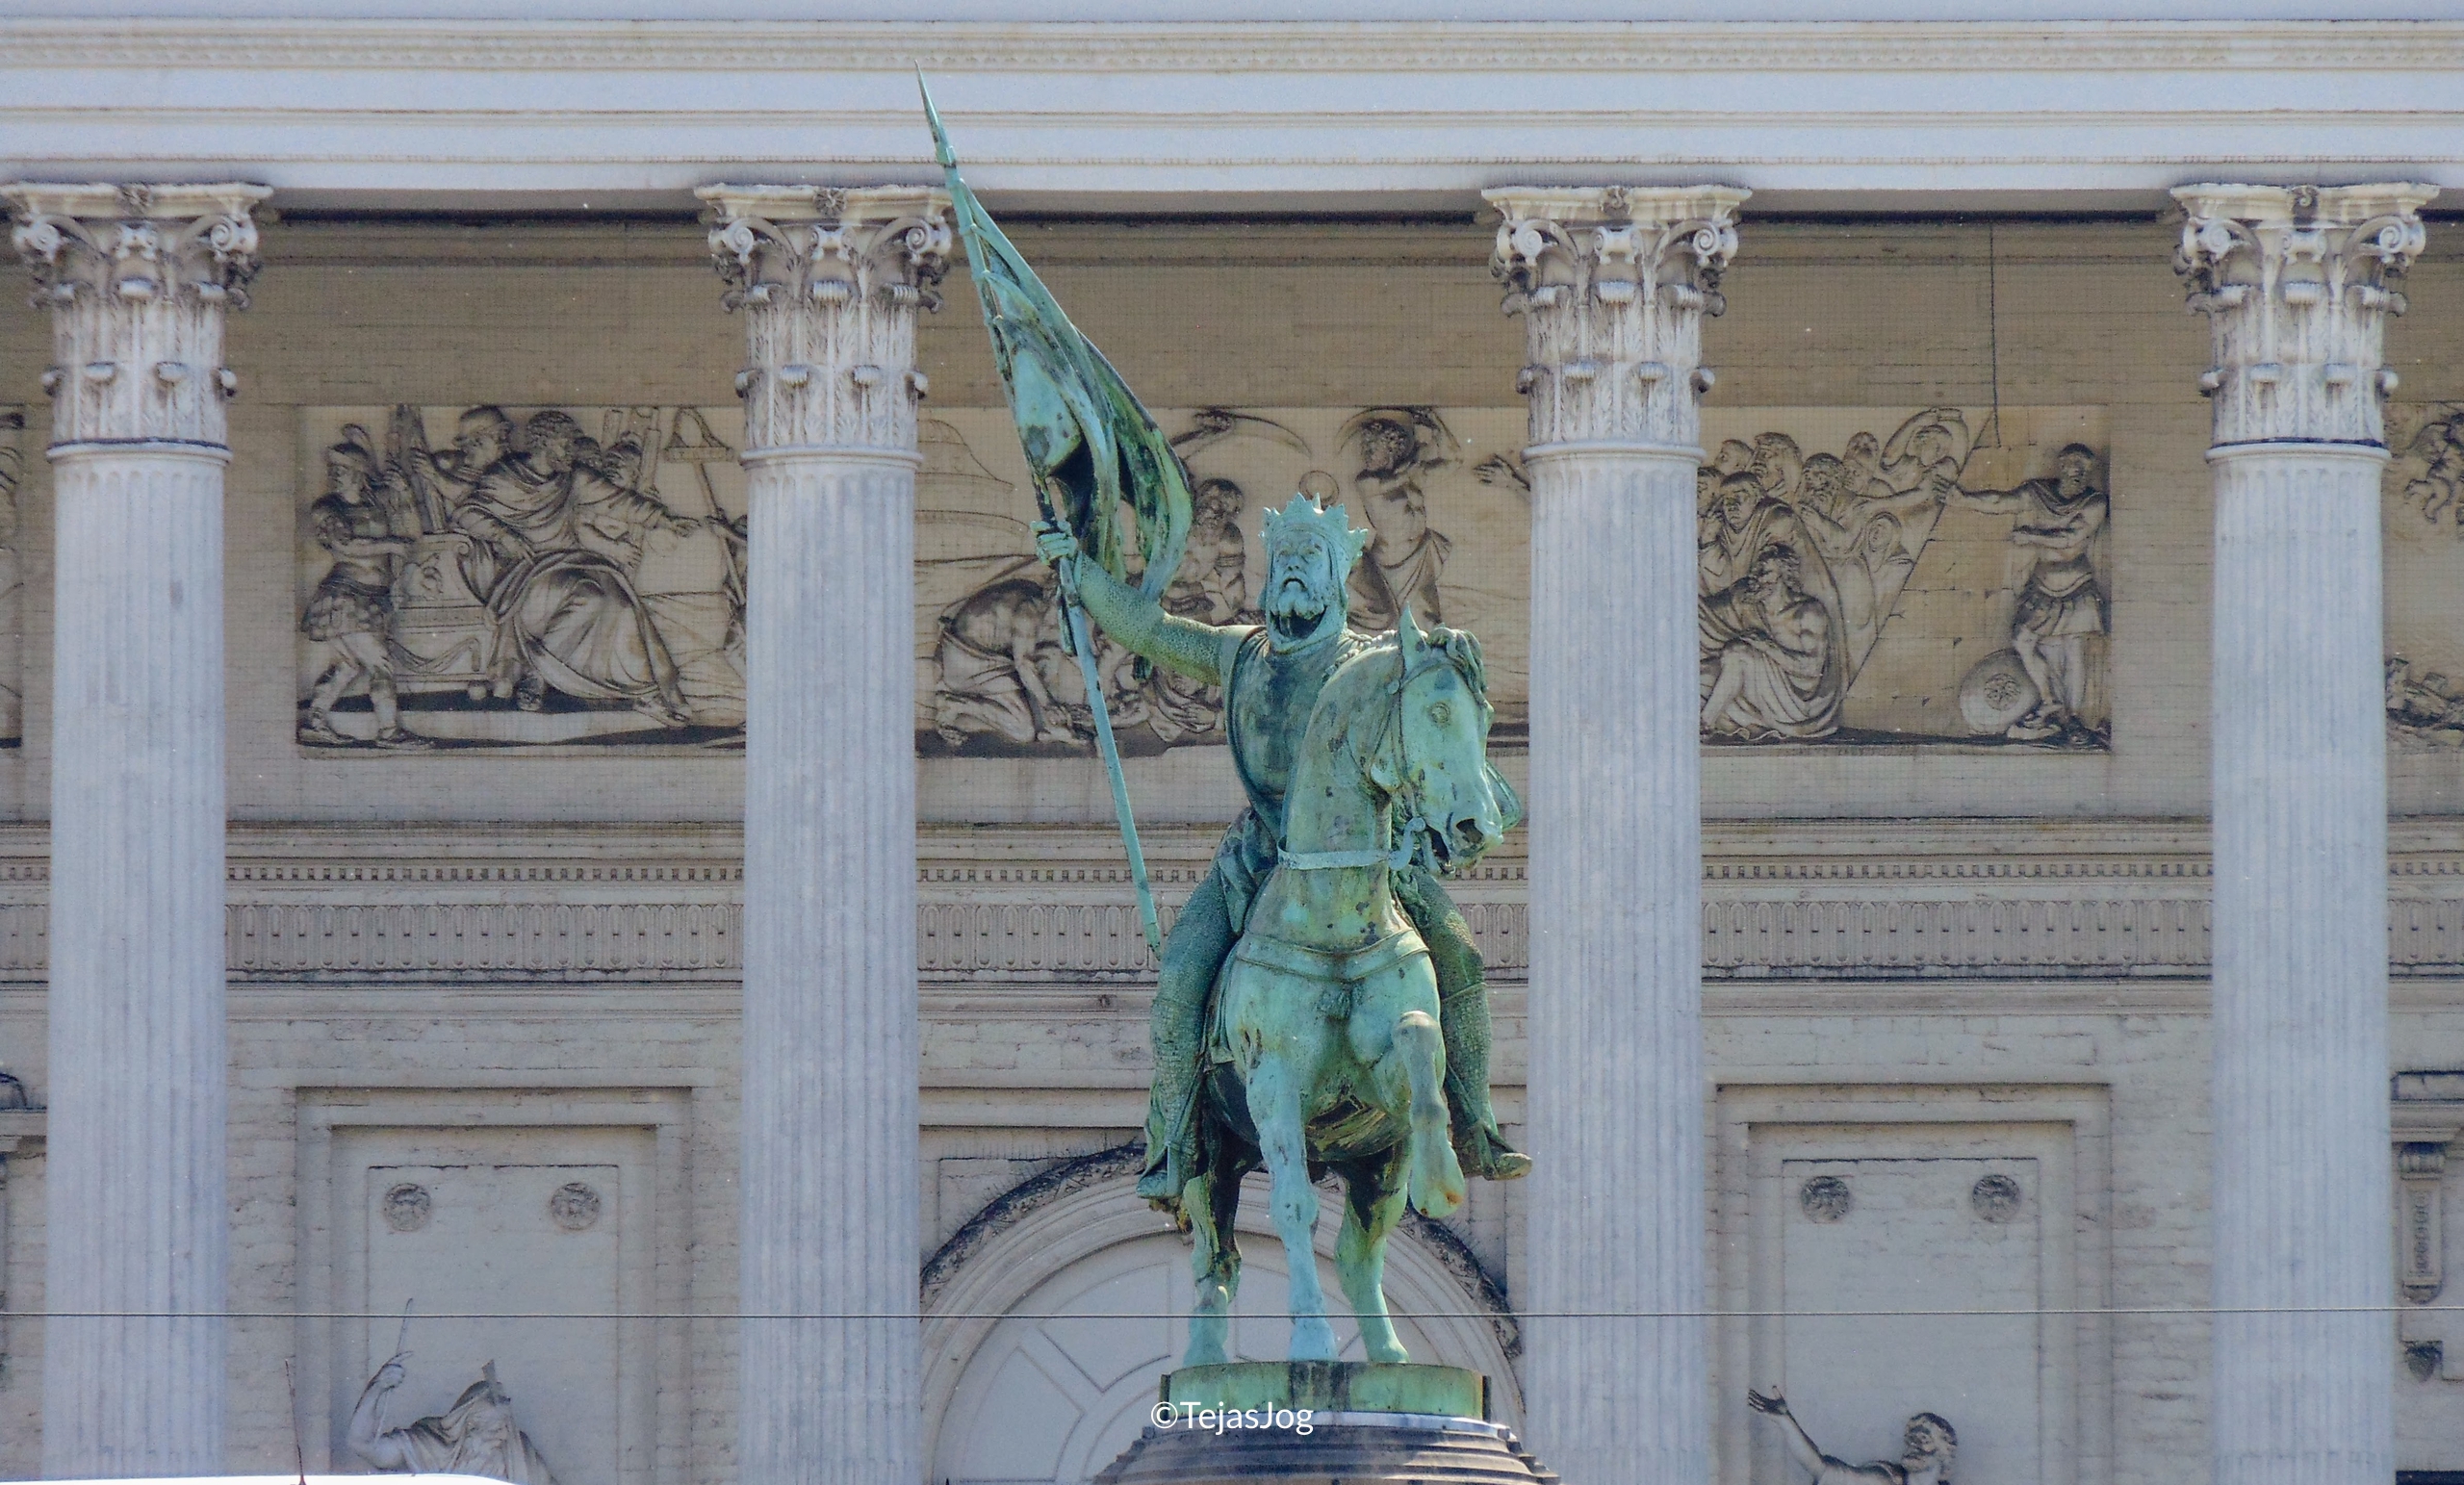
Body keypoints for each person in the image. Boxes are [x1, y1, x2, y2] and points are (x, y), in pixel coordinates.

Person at [1035, 492, 1529, 1216]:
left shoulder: (1377, 662)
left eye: (1310, 560)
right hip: (1257, 864)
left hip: (1373, 866)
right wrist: (1079, 572)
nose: (1294, 571)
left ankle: (1473, 1122)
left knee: (1458, 954)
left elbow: (1440, 720)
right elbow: (1150, 627)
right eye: (1285, 559)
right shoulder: (1238, 654)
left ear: (1336, 576)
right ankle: (1174, 1141)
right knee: (1180, 976)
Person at [451, 411, 697, 724]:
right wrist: (504, 536)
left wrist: (666, 520)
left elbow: (619, 502)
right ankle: (537, 674)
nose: (572, 452)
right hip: (529, 574)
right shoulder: (505, 477)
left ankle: (646, 693)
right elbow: (466, 514)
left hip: (574, 566)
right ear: (544, 444)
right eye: (566, 445)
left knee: (622, 604)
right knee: (591, 596)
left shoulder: (574, 478)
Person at [1950, 443, 2108, 742]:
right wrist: (1964, 499)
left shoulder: (2095, 502)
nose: (2079, 475)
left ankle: (2072, 722)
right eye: (2074, 468)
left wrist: (2031, 535)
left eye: (2085, 471)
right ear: (2061, 467)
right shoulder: (2038, 493)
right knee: (2023, 639)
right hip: (2043, 586)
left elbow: (2070, 538)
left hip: (2076, 588)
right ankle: (2050, 701)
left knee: (2073, 653)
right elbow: (2001, 501)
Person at [299, 441, 432, 750]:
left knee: (349, 666)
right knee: (380, 664)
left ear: (360, 473)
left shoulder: (378, 505)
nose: (335, 475)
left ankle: (315, 721)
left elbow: (412, 536)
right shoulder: (327, 508)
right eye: (333, 469)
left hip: (373, 598)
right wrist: (389, 544)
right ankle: (388, 731)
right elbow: (343, 546)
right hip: (344, 597)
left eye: (343, 469)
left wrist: (405, 494)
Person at [348, 1354, 559, 1485]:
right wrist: (377, 1388)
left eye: (506, 1427)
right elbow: (362, 1444)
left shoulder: (517, 1452)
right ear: (470, 1425)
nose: (504, 1435)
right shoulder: (428, 1446)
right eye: (495, 1429)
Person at [1700, 543, 1838, 740]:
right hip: (1761, 687)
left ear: (1784, 576)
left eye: (1765, 572)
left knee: (1737, 653)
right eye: (1757, 571)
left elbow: (1811, 668)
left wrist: (1767, 646)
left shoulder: (1808, 611)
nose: (1757, 578)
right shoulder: (1750, 604)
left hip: (1797, 701)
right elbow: (1705, 614)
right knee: (1704, 676)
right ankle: (1741, 720)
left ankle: (1704, 723)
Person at [1747, 1390, 1956, 1485]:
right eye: (1910, 1440)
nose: (1913, 1446)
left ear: (1944, 1456)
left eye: (1924, 1440)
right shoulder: (1882, 1480)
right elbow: (1820, 1468)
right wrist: (1786, 1422)